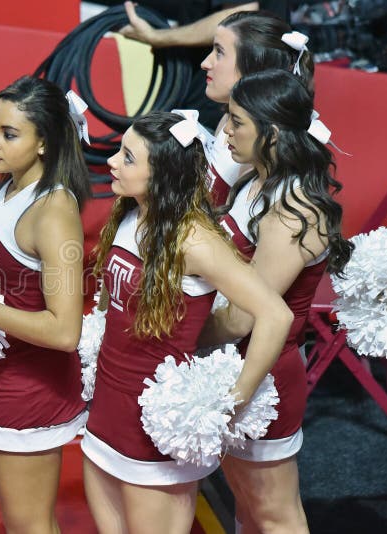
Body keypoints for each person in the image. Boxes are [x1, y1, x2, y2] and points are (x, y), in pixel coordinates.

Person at [80, 111, 293, 533]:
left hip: (157, 431)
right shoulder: (128, 214)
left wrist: (233, 401)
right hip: (105, 414)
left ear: (161, 173)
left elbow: (274, 314)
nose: (111, 163)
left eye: (127, 157)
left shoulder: (194, 238)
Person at [199, 69, 353, 533]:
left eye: (237, 120)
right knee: (247, 507)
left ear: (273, 133)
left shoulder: (293, 210)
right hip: (231, 363)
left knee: (275, 514)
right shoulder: (256, 182)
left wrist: (178, 336)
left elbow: (245, 316)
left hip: (262, 377)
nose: (226, 130)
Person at [0, 76, 92, 533]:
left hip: (34, 388)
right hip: (5, 375)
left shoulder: (53, 212)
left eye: (9, 134)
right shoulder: (12, 186)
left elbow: (66, 331)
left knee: (29, 525)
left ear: (44, 142)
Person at [199, 10, 315, 205]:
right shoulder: (227, 119)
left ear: (253, 67)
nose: (205, 63)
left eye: (219, 52)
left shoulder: (264, 148)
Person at [119, 1, 291, 129]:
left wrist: (159, 37)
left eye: (219, 51)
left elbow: (239, 20)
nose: (205, 63)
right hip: (206, 91)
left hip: (219, 99)